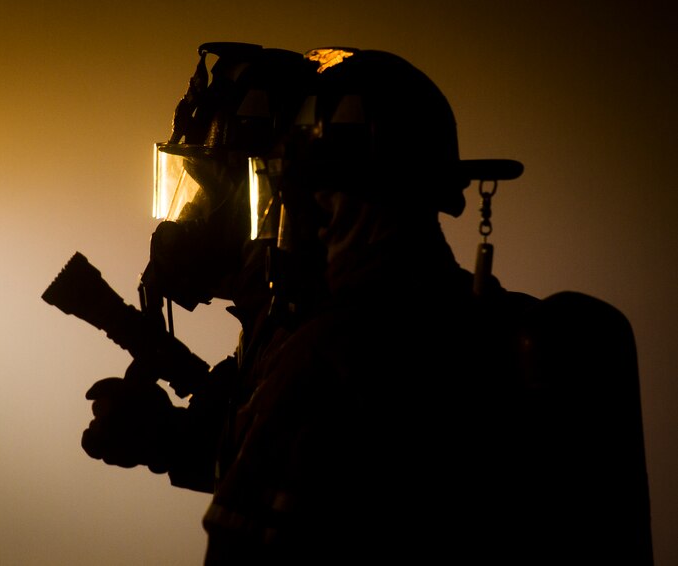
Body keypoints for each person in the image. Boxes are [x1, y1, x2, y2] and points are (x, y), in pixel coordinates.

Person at [201, 47, 653, 564]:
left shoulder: (326, 361)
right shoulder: (496, 325)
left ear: (328, 201)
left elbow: (245, 545)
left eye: (297, 195)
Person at [80, 43, 324, 493]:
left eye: (208, 192)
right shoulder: (281, 321)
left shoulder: (331, 340)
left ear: (277, 193)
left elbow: (276, 484)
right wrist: (170, 438)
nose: (184, 220)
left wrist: (169, 439)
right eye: (185, 192)